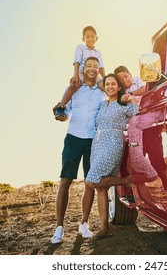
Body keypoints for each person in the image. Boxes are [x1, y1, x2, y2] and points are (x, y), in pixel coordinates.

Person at [51, 57, 106, 244]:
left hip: (93, 141)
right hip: (73, 138)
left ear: (99, 70)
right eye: (88, 66)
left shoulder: (102, 92)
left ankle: (84, 224)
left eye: (95, 66)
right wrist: (61, 115)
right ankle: (59, 228)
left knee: (89, 183)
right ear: (84, 68)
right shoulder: (75, 88)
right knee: (65, 180)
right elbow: (65, 114)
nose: (92, 69)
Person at [84, 73, 139, 240]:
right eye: (107, 84)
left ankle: (126, 181)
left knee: (91, 181)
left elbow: (139, 113)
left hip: (113, 142)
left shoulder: (124, 103)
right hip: (98, 144)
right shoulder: (102, 105)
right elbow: (99, 83)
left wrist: (133, 100)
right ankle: (104, 227)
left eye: (113, 84)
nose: (109, 87)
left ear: (119, 87)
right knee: (101, 187)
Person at [55, 26, 105, 121]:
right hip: (82, 72)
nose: (90, 39)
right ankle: (61, 106)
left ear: (96, 38)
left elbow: (101, 66)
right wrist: (76, 75)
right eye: (87, 37)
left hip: (95, 74)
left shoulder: (98, 52)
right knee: (74, 86)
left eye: (92, 36)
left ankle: (117, 105)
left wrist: (106, 79)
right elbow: (77, 61)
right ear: (83, 39)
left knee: (105, 86)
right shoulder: (80, 47)